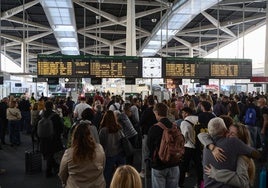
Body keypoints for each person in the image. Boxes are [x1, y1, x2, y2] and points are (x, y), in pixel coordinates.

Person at [200, 117, 260, 187]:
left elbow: (243, 182)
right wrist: (212, 147)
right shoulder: (210, 144)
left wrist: (216, 173)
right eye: (228, 131)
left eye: (232, 134)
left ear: (240, 139)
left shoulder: (241, 156)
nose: (228, 135)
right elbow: (202, 135)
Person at [58, 122, 105, 188]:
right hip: (97, 185)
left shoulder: (69, 153)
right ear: (90, 135)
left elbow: (62, 173)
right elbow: (103, 166)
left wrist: (65, 183)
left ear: (74, 136)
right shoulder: (99, 149)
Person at [147, 103, 180, 188]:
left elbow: (150, 146)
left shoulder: (154, 128)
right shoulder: (175, 127)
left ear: (157, 113)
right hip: (174, 163)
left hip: (159, 164)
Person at [99, 110, 126, 188]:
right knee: (122, 174)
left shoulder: (103, 130)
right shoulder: (119, 127)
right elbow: (123, 140)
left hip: (109, 154)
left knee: (107, 176)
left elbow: (101, 144)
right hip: (120, 153)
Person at [179, 107, 202, 187]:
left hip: (188, 146)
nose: (182, 114)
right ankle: (200, 184)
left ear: (186, 113)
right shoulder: (198, 118)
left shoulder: (184, 122)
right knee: (199, 166)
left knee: (183, 167)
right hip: (198, 146)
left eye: (183, 113)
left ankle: (180, 184)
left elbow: (184, 137)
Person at [39, 101, 64, 177]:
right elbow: (60, 127)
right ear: (52, 106)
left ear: (45, 107)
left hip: (43, 137)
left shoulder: (41, 115)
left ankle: (53, 168)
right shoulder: (56, 116)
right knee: (53, 153)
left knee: (48, 153)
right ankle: (50, 170)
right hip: (54, 137)